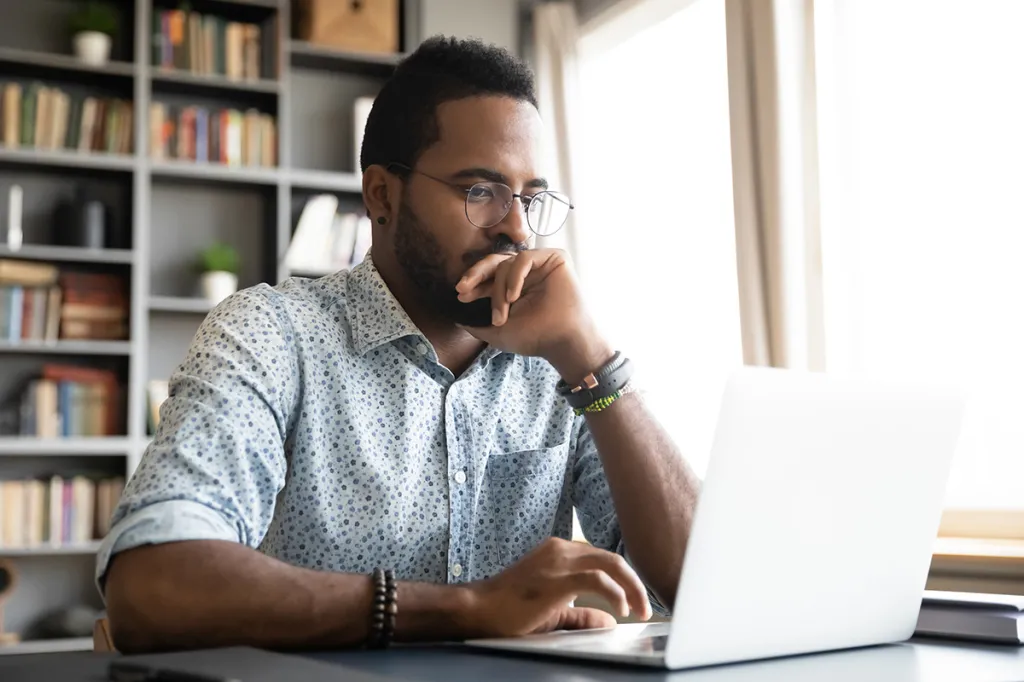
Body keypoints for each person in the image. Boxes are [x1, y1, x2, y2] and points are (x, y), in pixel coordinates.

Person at [99, 35, 701, 654]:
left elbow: (704, 587)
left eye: (530, 198)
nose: (518, 228)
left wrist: (594, 362)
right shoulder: (271, 334)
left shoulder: (560, 362)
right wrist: (467, 609)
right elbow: (153, 584)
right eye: (480, 192)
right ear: (382, 195)